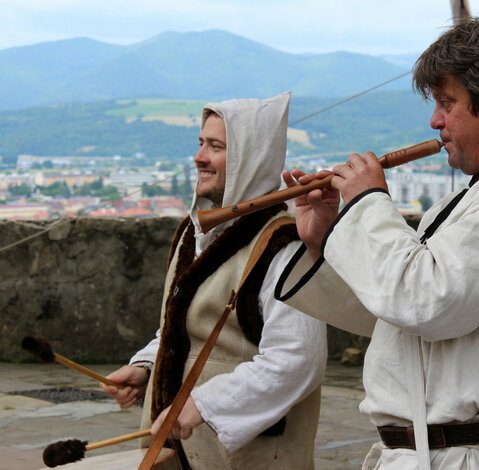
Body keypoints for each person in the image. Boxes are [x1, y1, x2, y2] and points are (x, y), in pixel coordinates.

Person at [275, 18, 479, 470]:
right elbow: (394, 317)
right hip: (432, 454)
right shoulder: (474, 196)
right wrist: (326, 237)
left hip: (468, 457)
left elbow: (424, 304)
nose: (435, 120)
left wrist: (367, 201)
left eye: (447, 102)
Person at [102, 92, 327, 470]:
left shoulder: (284, 248)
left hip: (247, 457)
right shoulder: (193, 235)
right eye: (201, 142)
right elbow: (182, 327)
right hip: (179, 450)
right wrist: (145, 366)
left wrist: (205, 405)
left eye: (216, 147)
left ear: (248, 160)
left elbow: (298, 359)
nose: (199, 157)